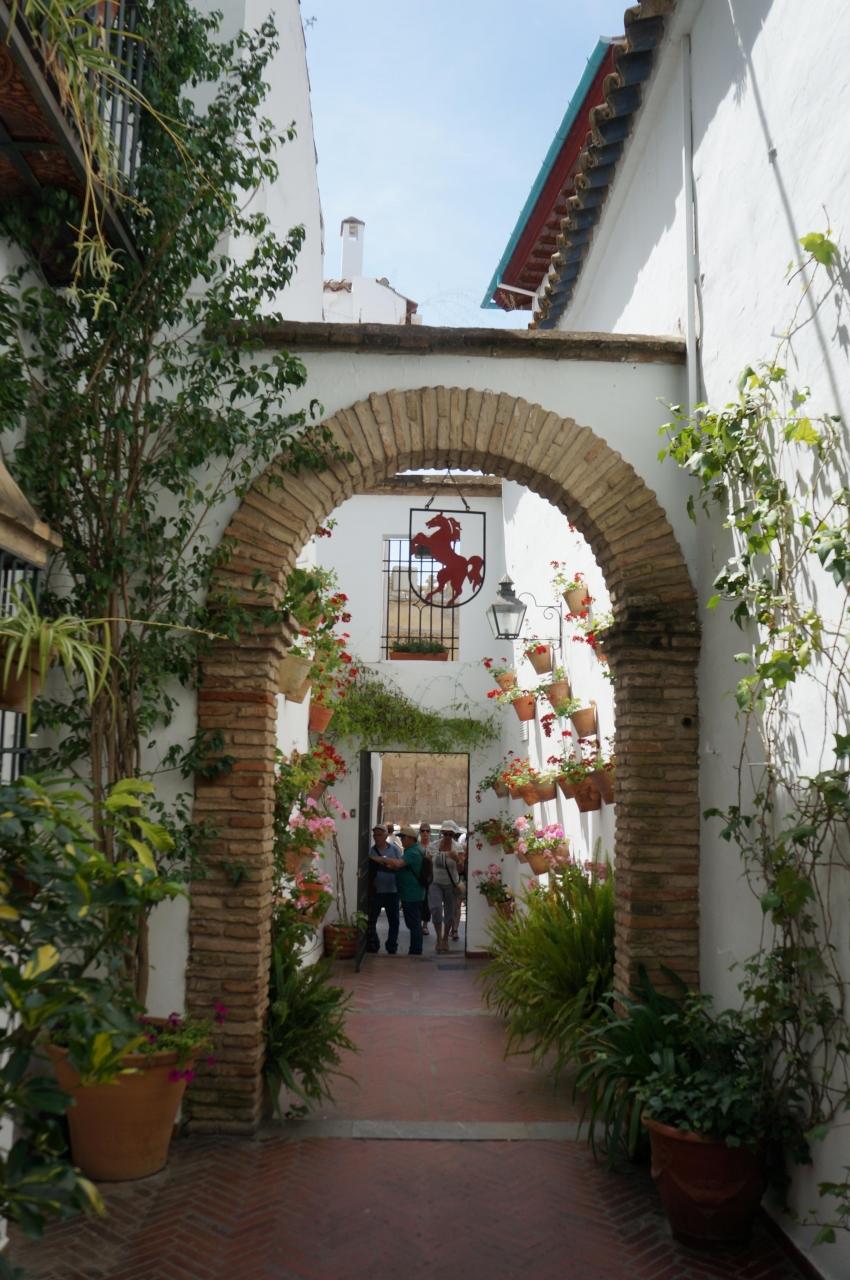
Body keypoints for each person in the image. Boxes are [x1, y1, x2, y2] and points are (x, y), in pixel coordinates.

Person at [379, 824, 426, 955]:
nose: (401, 840)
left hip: (412, 894)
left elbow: (399, 863)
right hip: (413, 892)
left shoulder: (412, 852)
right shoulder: (415, 849)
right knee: (414, 923)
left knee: (414, 924)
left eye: (403, 837)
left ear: (410, 838)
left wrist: (382, 859)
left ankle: (415, 951)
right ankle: (415, 949)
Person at [366, 824, 400, 955]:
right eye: (375, 835)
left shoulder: (395, 850)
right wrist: (386, 862)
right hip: (376, 891)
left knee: (394, 921)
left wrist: (381, 861)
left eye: (379, 834)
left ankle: (391, 946)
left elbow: (399, 865)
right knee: (372, 920)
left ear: (386, 836)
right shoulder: (371, 851)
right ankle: (374, 943)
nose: (376, 837)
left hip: (392, 891)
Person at [430, 823, 461, 954]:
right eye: (445, 833)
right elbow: (428, 860)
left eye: (450, 834)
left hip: (451, 884)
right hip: (435, 882)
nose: (447, 836)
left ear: (454, 835)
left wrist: (458, 860)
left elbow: (461, 868)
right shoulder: (434, 845)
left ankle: (445, 939)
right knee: (436, 909)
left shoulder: (458, 847)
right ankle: (438, 937)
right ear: (442, 833)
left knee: (450, 912)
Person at [418, 822, 433, 935]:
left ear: (430, 833)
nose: (425, 833)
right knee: (418, 901)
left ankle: (425, 925)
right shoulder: (416, 846)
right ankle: (417, 924)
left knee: (427, 902)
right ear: (420, 832)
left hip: (430, 877)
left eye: (427, 831)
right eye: (423, 831)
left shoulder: (433, 847)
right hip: (417, 877)